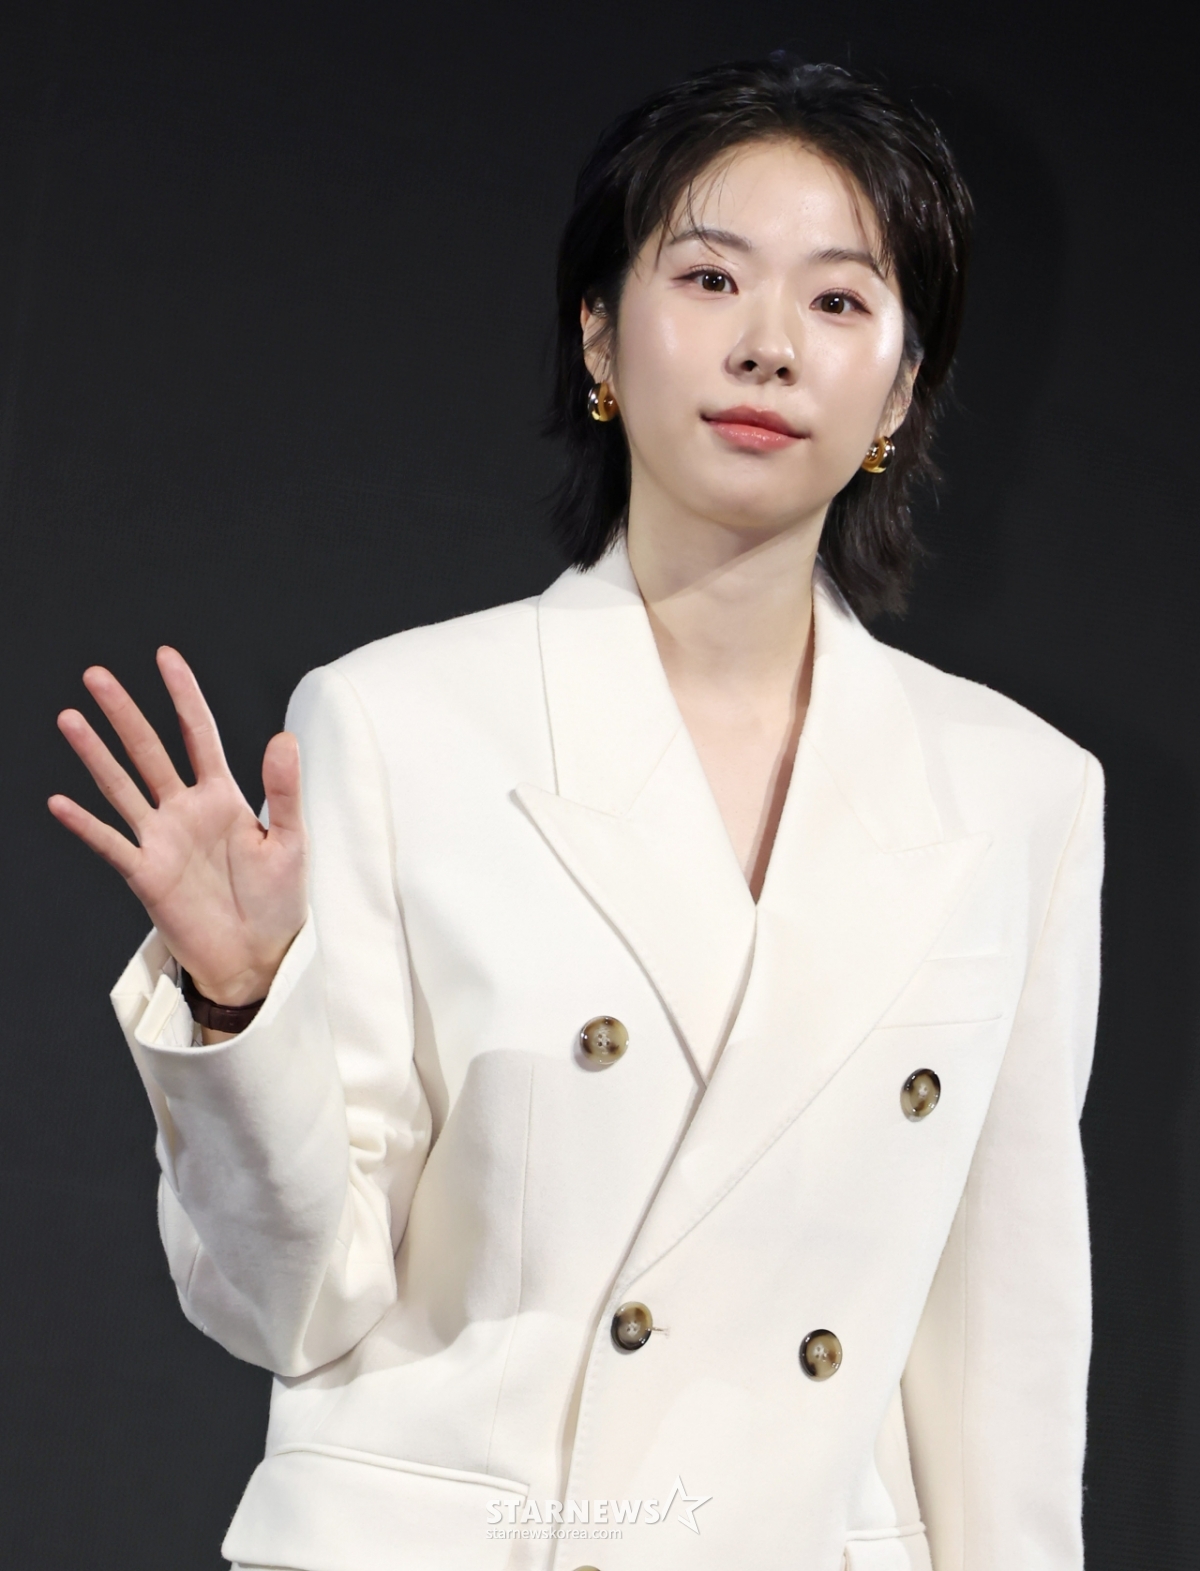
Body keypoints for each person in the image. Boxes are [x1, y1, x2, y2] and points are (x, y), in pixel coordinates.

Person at [49, 55, 1103, 1571]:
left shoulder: (1019, 791)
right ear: (601, 334)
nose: (767, 346)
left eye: (838, 300)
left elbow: (1007, 1340)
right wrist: (239, 1003)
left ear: (900, 390)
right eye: (710, 277)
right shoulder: (398, 724)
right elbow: (293, 1306)